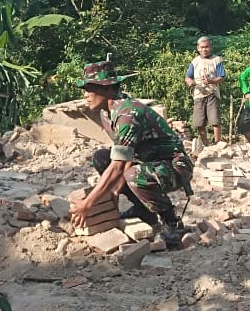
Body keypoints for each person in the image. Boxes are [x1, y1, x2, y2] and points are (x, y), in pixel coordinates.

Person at [70, 61, 193, 244]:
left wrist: (88, 204)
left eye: (90, 89)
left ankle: (172, 222)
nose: (86, 95)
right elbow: (124, 155)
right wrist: (114, 192)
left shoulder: (128, 114)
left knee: (133, 175)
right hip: (148, 161)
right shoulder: (107, 113)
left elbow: (119, 166)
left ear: (107, 89)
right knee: (102, 158)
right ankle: (144, 211)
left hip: (175, 166)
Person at [185, 36, 225, 147]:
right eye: (202, 47)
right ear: (198, 48)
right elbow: (188, 77)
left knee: (215, 121)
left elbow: (221, 77)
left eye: (206, 47)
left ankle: (218, 144)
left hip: (212, 93)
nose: (204, 49)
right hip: (198, 94)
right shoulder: (195, 61)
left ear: (210, 47)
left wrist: (211, 81)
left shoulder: (217, 60)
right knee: (199, 123)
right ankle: (206, 144)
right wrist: (190, 82)